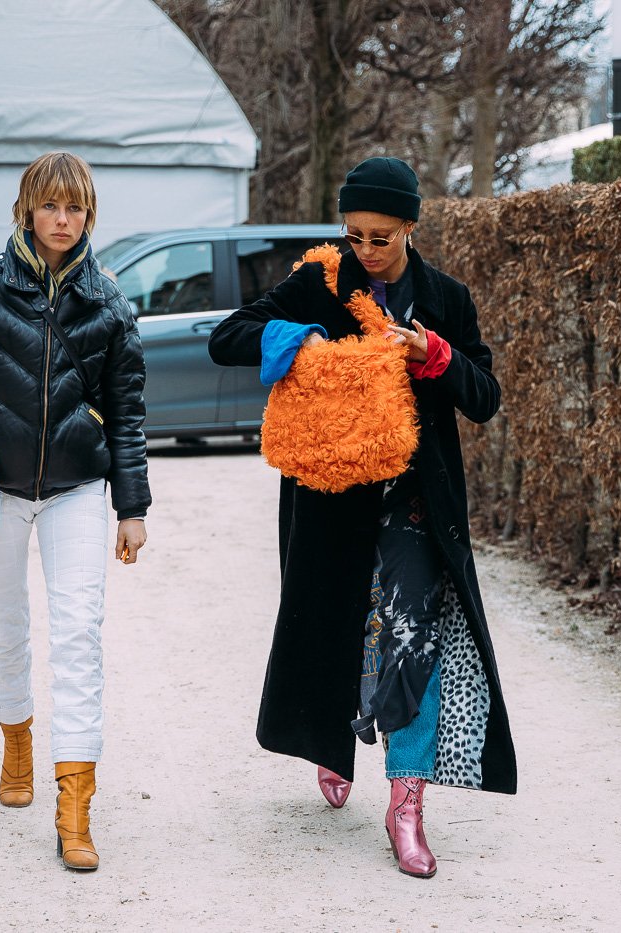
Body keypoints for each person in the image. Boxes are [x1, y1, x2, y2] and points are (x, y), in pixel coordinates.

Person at [208, 156, 517, 879]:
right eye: (354, 235)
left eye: (381, 236)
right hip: (329, 496)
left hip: (416, 502)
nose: (367, 250)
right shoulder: (321, 281)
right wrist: (297, 341)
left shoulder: (444, 296)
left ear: (411, 225)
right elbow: (229, 336)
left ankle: (406, 804)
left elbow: (486, 395)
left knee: (413, 634)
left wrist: (434, 354)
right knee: (339, 623)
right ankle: (332, 737)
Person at [0, 150, 150, 872]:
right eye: (50, 205)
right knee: (7, 625)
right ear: (27, 208)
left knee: (79, 635)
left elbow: (129, 410)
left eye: (74, 207)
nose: (62, 219)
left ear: (88, 215)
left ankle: (74, 806)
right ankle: (16, 738)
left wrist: (132, 505)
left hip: (78, 489)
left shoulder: (109, 301)